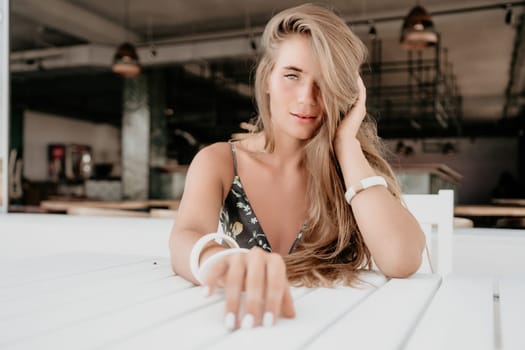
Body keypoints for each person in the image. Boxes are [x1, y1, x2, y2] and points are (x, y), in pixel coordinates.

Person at [169, 3, 425, 330]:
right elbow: (184, 235)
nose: (307, 98)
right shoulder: (220, 161)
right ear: (267, 79)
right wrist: (219, 260)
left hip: (344, 329)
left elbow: (402, 260)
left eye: (325, 82)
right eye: (292, 75)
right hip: (248, 327)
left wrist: (346, 144)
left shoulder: (347, 166)